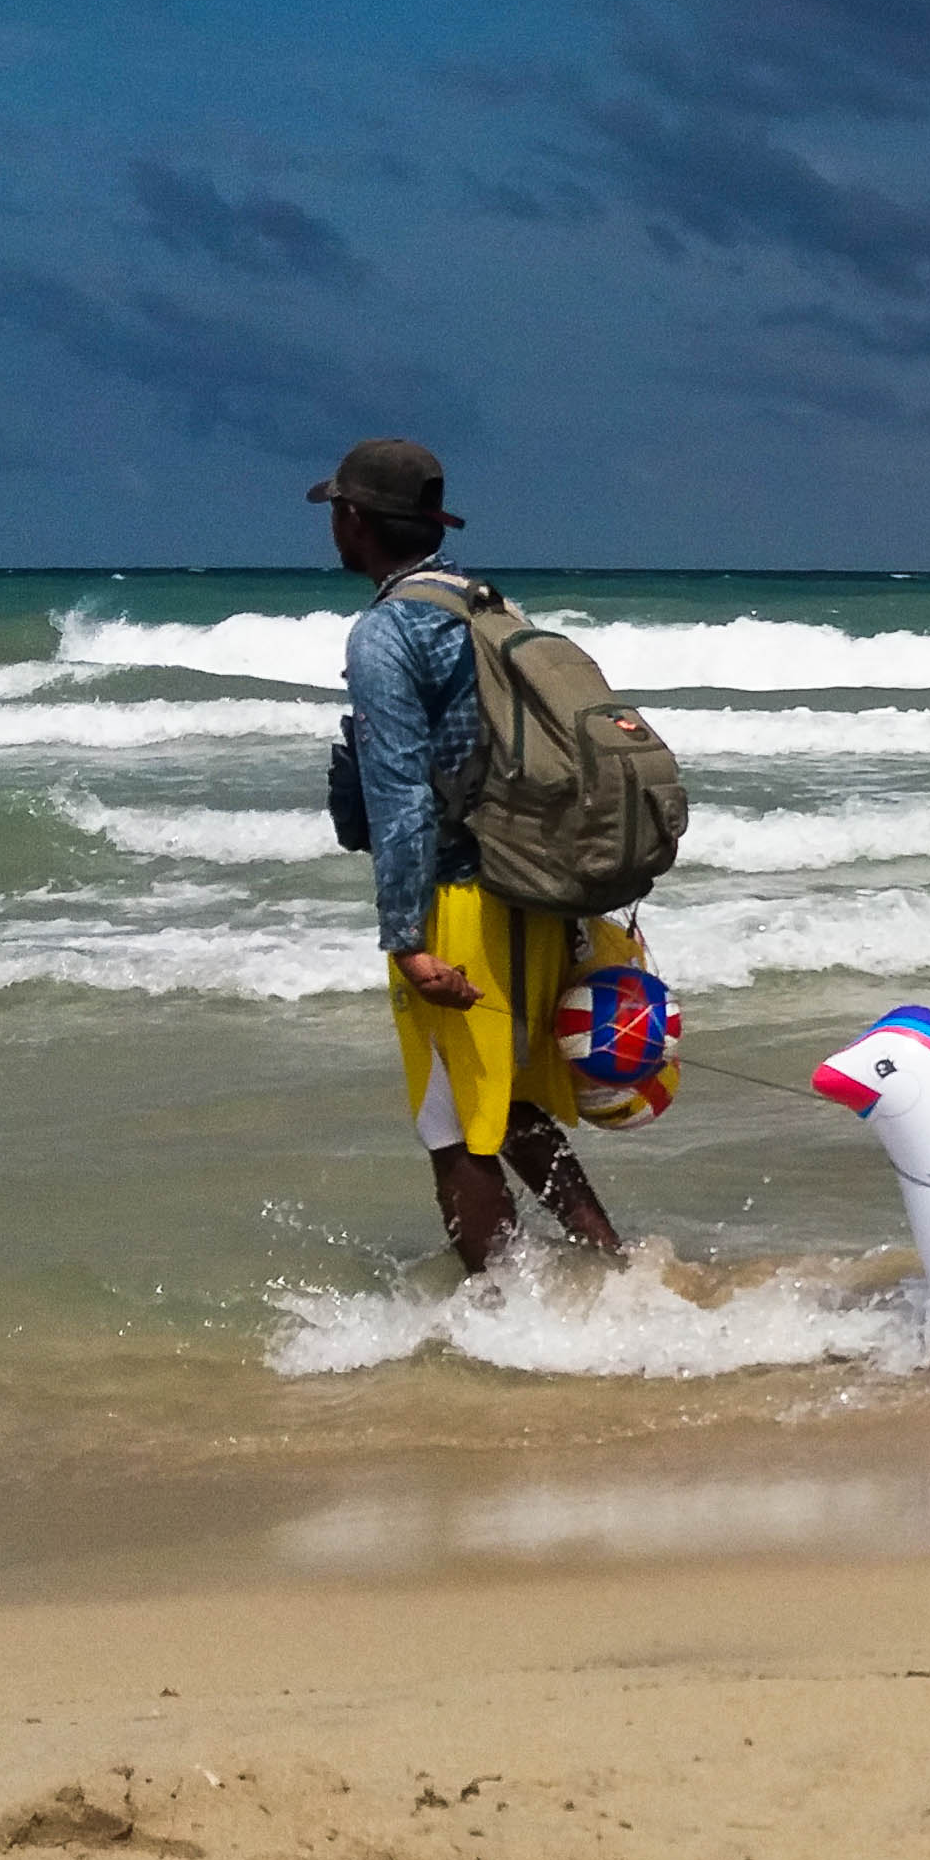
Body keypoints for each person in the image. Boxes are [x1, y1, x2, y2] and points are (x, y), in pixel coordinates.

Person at [320, 437, 623, 1273]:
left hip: (458, 901)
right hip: (532, 890)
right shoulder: (487, 604)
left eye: (337, 513)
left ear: (356, 520)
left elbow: (400, 793)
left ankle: (498, 1322)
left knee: (451, 1127)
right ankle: (615, 1265)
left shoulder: (386, 632)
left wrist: (407, 941)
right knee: (515, 1096)